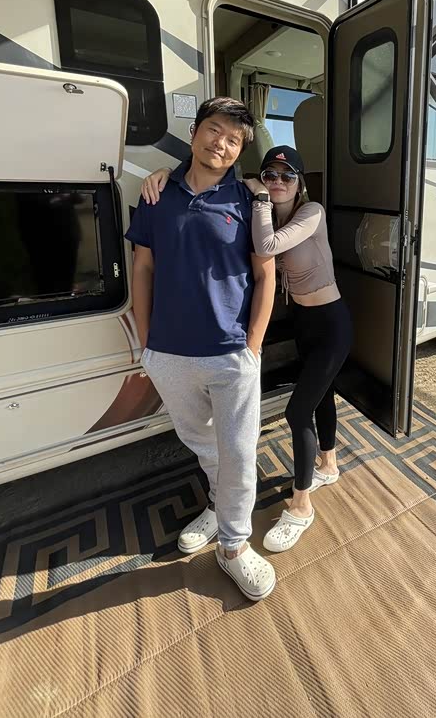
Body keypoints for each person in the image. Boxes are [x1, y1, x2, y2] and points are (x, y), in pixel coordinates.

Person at [141, 144, 352, 554]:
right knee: (322, 395)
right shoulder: (265, 211)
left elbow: (267, 247)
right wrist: (165, 171)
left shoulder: (312, 212)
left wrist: (258, 196)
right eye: (270, 174)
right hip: (303, 322)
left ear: (300, 184)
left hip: (332, 323)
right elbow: (206, 178)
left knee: (297, 411)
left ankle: (302, 506)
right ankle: (329, 464)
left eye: (287, 176)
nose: (278, 182)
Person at [128, 97, 277, 601]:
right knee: (199, 440)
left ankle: (234, 545)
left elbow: (266, 275)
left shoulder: (249, 201)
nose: (222, 144)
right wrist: (146, 343)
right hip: (168, 353)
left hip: (230, 353)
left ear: (239, 151)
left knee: (238, 452)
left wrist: (253, 346)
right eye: (214, 130)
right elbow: (143, 267)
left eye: (234, 140)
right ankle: (217, 505)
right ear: (194, 133)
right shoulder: (157, 194)